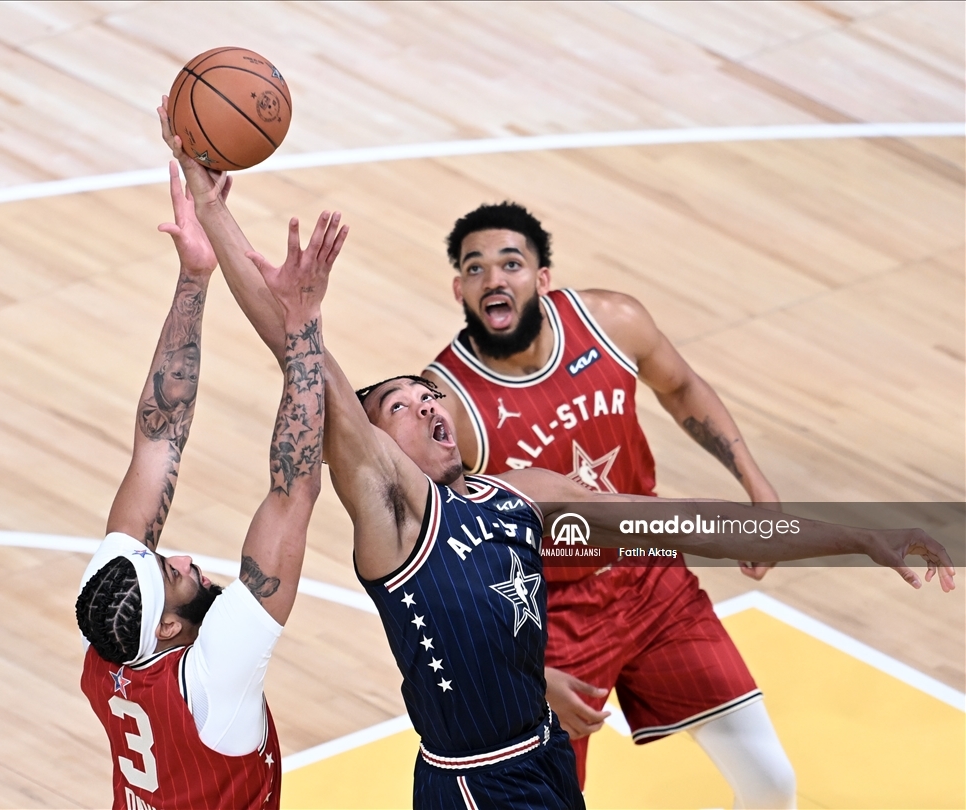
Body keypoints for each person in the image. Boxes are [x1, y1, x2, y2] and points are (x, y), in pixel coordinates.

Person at [157, 129, 954, 808]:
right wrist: (216, 210)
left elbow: (700, 524)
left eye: (429, 396)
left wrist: (861, 533)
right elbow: (295, 353)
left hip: (541, 755)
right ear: (370, 444)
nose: (429, 406)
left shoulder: (521, 496)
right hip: (474, 784)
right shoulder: (394, 514)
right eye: (400, 405)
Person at [419, 202, 810, 805]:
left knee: (771, 781)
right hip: (546, 616)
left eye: (510, 264)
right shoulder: (447, 406)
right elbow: (445, 568)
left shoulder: (611, 323)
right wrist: (527, 674)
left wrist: (759, 489)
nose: (493, 278)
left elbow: (681, 386)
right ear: (459, 289)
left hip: (651, 578)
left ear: (542, 277)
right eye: (475, 268)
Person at [75, 162, 346, 810]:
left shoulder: (115, 625)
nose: (184, 558)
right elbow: (292, 493)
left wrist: (194, 276)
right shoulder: (213, 684)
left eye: (163, 561)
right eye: (175, 575)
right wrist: (301, 324)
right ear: (170, 628)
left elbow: (159, 436)